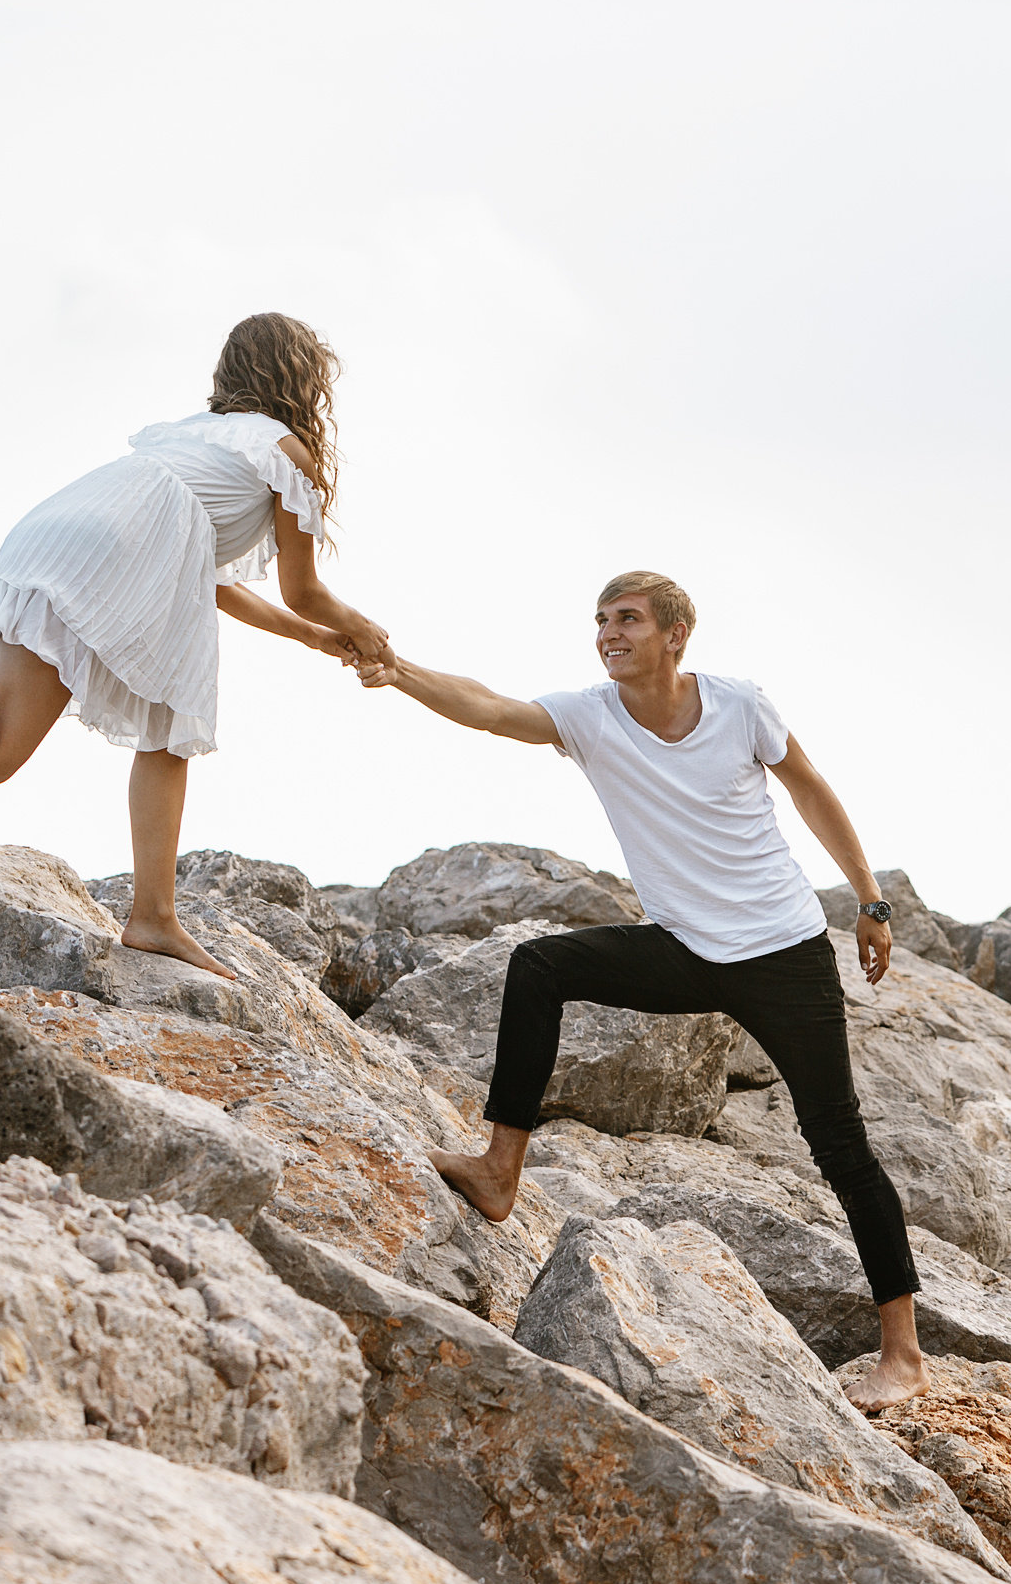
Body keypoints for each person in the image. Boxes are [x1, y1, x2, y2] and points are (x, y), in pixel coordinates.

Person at [356, 570, 928, 1411]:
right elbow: (489, 706)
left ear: (676, 634)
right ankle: (498, 1169)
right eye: (599, 620)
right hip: (686, 948)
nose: (607, 633)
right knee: (540, 965)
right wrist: (401, 672)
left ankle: (904, 1354)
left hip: (783, 950)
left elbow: (809, 789)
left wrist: (869, 899)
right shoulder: (591, 714)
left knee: (840, 1144)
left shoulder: (740, 706)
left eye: (626, 619)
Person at [0, 312, 393, 979]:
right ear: (302, 381)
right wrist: (364, 628)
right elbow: (302, 588)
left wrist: (320, 641)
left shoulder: (198, 435)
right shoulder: (287, 451)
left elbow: (203, 579)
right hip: (126, 543)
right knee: (170, 731)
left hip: (67, 530)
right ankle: (152, 916)